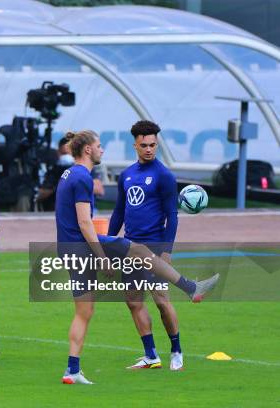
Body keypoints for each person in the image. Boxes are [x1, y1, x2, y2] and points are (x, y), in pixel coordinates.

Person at [55, 130, 219, 385]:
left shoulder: (67, 174)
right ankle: (191, 288)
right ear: (87, 149)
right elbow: (86, 223)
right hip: (85, 245)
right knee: (139, 253)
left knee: (84, 312)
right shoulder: (83, 177)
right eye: (99, 146)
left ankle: (72, 370)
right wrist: (102, 256)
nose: (102, 150)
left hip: (67, 249)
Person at [108, 120, 183, 370]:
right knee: (133, 302)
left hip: (153, 248)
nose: (149, 149)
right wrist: (109, 243)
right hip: (130, 247)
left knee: (162, 301)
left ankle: (176, 351)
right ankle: (151, 355)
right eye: (144, 145)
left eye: (153, 144)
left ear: (157, 143)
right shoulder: (126, 175)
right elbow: (119, 212)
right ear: (135, 145)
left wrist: (167, 251)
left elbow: (172, 216)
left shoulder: (164, 176)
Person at [38, 137, 104, 211]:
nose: (66, 157)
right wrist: (58, 184)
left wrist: (71, 181)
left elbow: (99, 190)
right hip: (58, 211)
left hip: (84, 209)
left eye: (68, 154)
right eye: (63, 154)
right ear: (58, 152)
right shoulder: (54, 170)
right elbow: (40, 194)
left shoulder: (86, 168)